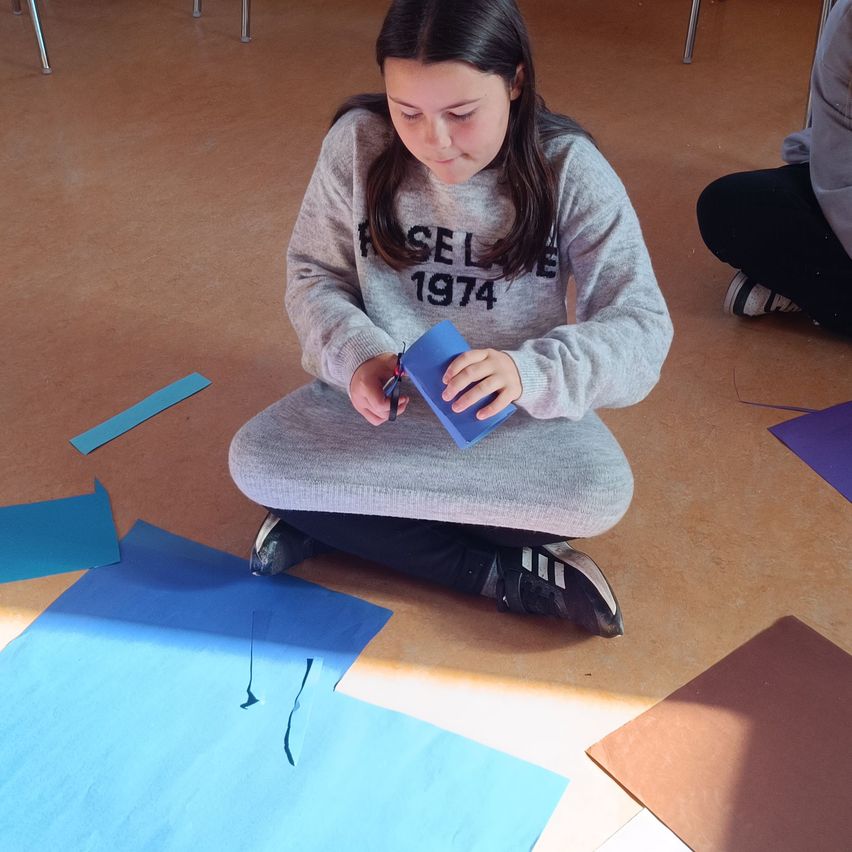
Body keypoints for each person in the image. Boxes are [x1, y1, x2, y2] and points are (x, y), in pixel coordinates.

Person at [229, 0, 673, 638]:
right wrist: (358, 356)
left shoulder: (569, 167)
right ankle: (491, 572)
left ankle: (340, 523)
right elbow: (313, 276)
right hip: (380, 414)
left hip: (511, 422)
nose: (433, 141)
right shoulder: (357, 142)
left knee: (596, 494)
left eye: (462, 114)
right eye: (406, 111)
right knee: (254, 462)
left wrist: (526, 373)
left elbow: (641, 326)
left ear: (515, 81)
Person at [697, 0, 852, 337]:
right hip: (844, 187)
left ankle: (811, 292)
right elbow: (839, 169)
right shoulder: (848, 23)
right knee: (727, 205)